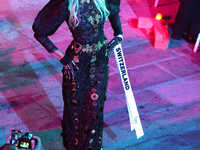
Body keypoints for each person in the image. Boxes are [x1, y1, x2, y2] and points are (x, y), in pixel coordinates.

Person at [32, 0, 123, 149]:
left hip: (100, 61)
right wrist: (62, 56)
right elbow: (40, 32)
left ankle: (92, 146)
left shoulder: (102, 1)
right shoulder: (67, 4)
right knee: (76, 109)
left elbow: (114, 13)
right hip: (76, 64)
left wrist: (119, 35)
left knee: (95, 107)